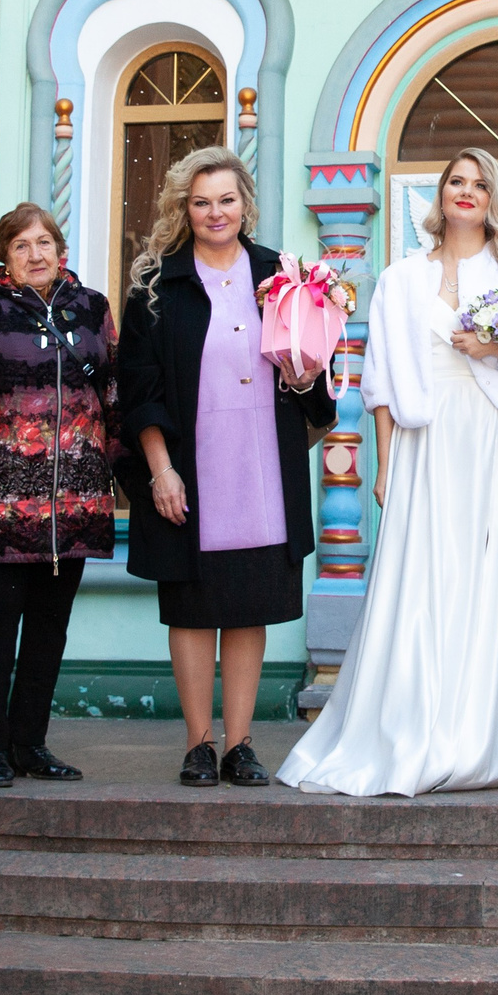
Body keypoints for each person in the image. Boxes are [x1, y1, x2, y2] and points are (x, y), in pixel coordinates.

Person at [279, 149, 498, 796]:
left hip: (493, 433)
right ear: (439, 195)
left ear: (490, 197)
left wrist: (494, 346)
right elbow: (380, 382)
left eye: (478, 183)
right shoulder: (401, 278)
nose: (466, 192)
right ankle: (416, 720)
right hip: (425, 440)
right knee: (426, 574)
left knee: (491, 570)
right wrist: (386, 465)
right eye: (456, 181)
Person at [116, 147, 335, 789]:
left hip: (262, 465)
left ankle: (239, 743)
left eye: (227, 200)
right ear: (184, 209)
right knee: (190, 607)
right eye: (202, 201)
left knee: (247, 605)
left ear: (246, 205)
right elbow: (140, 388)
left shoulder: (282, 276)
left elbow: (314, 383)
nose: (216, 212)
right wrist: (160, 470)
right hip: (189, 468)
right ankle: (198, 743)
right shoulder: (157, 283)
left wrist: (302, 377)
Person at [0, 202, 118, 789]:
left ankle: (30, 743)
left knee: (50, 630)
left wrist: (121, 478)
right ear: (5, 255)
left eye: (44, 242)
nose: (35, 254)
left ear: (60, 249)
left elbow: (112, 394)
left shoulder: (92, 308)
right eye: (22, 245)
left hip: (74, 504)